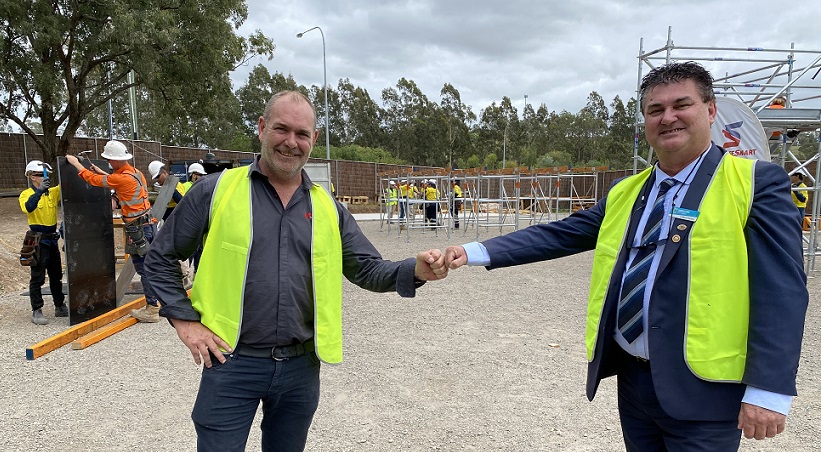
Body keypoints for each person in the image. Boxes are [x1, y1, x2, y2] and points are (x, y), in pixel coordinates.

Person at [442, 62, 808, 450]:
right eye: (655, 110)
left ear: (710, 110)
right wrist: (471, 251)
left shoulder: (755, 182)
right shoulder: (626, 192)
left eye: (681, 105)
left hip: (706, 392)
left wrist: (769, 390)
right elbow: (560, 233)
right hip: (635, 383)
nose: (668, 118)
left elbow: (783, 289)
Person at [144, 90, 446, 451]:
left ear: (314, 139)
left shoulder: (328, 207)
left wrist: (415, 269)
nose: (291, 142)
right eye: (281, 129)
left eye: (302, 134)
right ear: (261, 127)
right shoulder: (215, 191)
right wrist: (186, 322)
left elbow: (366, 269)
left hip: (300, 369)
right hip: (230, 363)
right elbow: (160, 258)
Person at [66, 141, 162, 323]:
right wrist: (102, 172)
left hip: (138, 230)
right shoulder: (135, 173)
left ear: (115, 160)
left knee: (144, 269)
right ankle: (157, 302)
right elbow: (117, 181)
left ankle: (152, 308)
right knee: (152, 266)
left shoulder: (121, 178)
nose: (109, 163)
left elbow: (94, 181)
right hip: (148, 225)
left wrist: (76, 164)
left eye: (110, 160)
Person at [19, 160, 68, 325]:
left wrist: (73, 165)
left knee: (56, 276)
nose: (45, 178)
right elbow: (29, 207)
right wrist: (39, 191)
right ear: (32, 176)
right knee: (37, 277)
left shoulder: (52, 193)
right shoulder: (26, 194)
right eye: (41, 175)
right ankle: (37, 310)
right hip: (37, 241)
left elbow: (66, 183)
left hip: (52, 239)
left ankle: (60, 305)